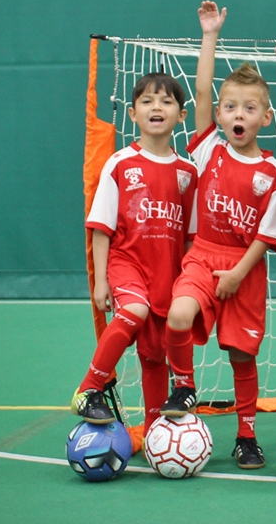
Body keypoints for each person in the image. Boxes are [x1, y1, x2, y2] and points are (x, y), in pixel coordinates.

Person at [161, 1, 276, 471]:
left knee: (241, 356)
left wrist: (237, 272)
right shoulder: (208, 147)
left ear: (266, 118)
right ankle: (184, 385)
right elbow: (198, 91)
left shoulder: (273, 171)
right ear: (219, 114)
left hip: (245, 268)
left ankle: (247, 435)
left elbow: (266, 233)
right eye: (231, 106)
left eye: (250, 107)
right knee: (178, 315)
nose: (239, 113)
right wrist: (210, 35)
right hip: (203, 255)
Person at [72, 73, 198, 436]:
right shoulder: (120, 164)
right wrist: (100, 282)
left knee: (155, 355)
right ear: (132, 114)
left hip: (168, 274)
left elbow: (189, 238)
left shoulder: (188, 172)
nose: (156, 107)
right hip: (126, 263)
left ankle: (157, 429)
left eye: (166, 101)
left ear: (181, 115)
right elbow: (100, 227)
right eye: (146, 101)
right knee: (134, 310)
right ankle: (88, 389)